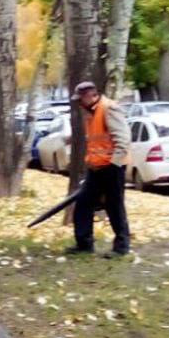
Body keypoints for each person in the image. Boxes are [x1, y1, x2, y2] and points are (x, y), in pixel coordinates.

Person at [66, 80, 131, 259]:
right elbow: (97, 141)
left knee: (114, 206)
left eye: (81, 99)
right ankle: (84, 244)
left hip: (112, 167)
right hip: (96, 168)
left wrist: (114, 164)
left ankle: (122, 247)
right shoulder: (91, 113)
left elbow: (123, 140)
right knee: (83, 203)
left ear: (91, 96)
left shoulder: (108, 108)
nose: (78, 103)